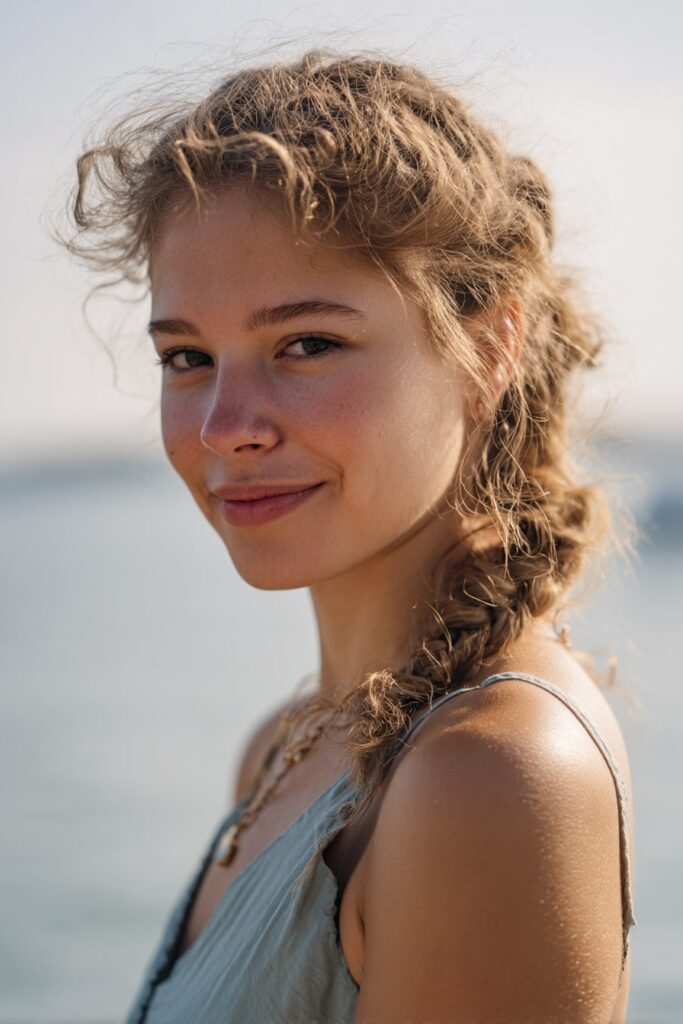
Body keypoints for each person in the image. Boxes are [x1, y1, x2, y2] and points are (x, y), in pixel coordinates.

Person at [64, 49, 636, 1024]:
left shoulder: (488, 777)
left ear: (487, 348)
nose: (225, 425)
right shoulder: (285, 750)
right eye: (188, 356)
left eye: (306, 343)